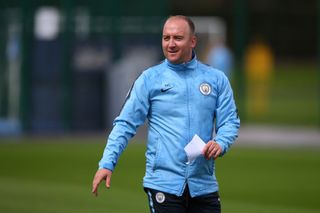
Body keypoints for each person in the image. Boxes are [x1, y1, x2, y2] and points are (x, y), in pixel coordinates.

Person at [92, 15, 240, 213]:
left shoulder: (216, 79)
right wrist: (107, 163)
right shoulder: (149, 79)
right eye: (166, 38)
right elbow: (125, 124)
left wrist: (220, 142)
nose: (170, 44)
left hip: (204, 186)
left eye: (177, 38)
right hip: (163, 184)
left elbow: (230, 121)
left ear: (193, 41)